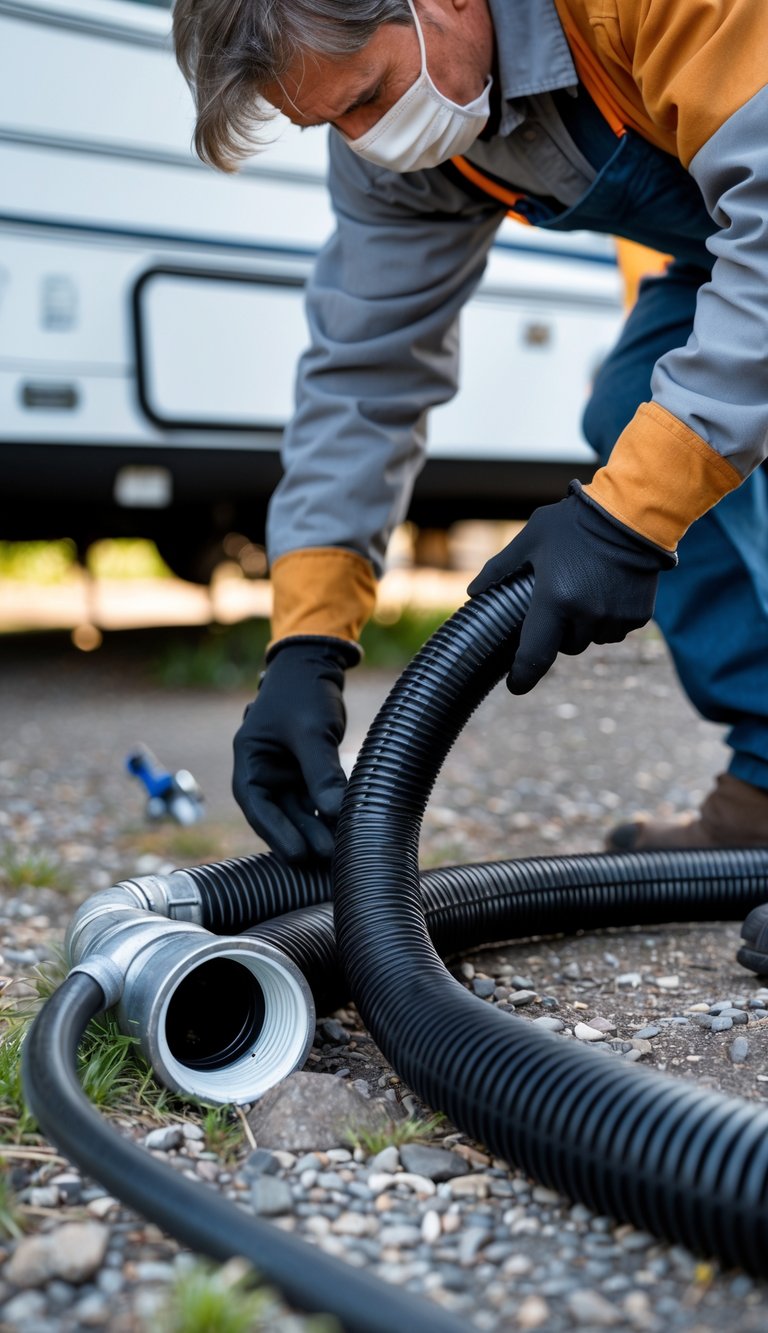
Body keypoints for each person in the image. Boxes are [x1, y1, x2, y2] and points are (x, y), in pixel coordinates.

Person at [173, 0, 768, 861]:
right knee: (635, 408)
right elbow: (366, 372)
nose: (367, 139)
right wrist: (306, 642)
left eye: (368, 95)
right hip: (732, 235)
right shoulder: (398, 142)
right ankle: (765, 777)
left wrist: (627, 516)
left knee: (714, 426)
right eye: (331, 122)